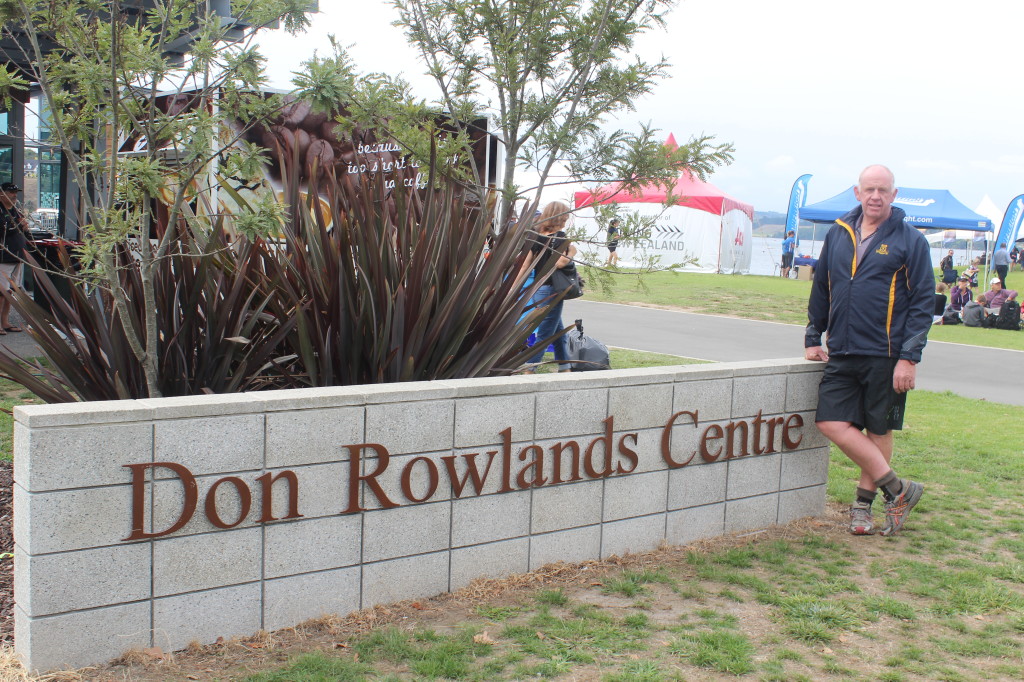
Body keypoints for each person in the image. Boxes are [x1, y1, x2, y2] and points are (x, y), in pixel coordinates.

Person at [805, 165, 931, 537]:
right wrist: (814, 334)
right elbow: (822, 287)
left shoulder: (911, 241)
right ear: (857, 193)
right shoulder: (838, 233)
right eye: (869, 189)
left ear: (894, 195)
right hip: (841, 350)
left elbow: (924, 303)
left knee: (878, 428)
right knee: (829, 421)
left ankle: (863, 507)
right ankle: (899, 489)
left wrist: (909, 356)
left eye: (883, 189)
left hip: (887, 354)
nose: (875, 195)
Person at [523, 201, 576, 373]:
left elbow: (525, 265)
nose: (567, 218)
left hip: (538, 288)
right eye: (566, 215)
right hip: (552, 289)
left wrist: (514, 287)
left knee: (558, 329)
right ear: (561, 216)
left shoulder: (536, 235)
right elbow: (560, 263)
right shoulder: (560, 237)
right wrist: (572, 252)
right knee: (545, 334)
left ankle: (565, 366)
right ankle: (530, 368)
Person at [0, 181, 30, 335]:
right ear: (1, 194)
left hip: (17, 255)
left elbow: (19, 228)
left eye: (15, 193)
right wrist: (19, 226)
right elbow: (4, 228)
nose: (14, 196)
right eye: (11, 193)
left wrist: (24, 226)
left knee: (10, 291)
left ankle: (5, 321)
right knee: (1, 291)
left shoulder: (16, 210)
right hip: (3, 256)